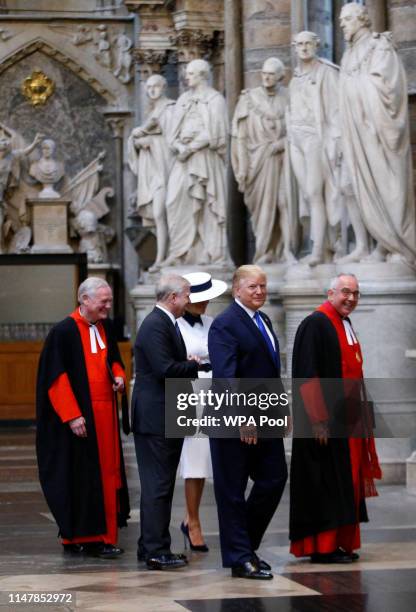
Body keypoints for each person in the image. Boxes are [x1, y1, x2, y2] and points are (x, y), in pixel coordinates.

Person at [289, 273, 382, 563]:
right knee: (327, 483)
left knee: (346, 482)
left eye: (355, 293)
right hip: (325, 423)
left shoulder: (345, 323)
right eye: (345, 292)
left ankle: (341, 542)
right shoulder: (315, 324)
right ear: (330, 293)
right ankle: (323, 547)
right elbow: (307, 374)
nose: (351, 298)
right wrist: (317, 419)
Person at [36, 277, 130, 559]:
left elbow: (114, 359)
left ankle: (104, 536)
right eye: (104, 301)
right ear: (84, 300)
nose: (108, 306)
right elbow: (55, 379)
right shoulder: (63, 331)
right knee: (79, 478)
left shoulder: (105, 327)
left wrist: (119, 376)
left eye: (109, 300)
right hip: (81, 419)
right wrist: (72, 415)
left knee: (107, 474)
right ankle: (82, 537)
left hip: (105, 417)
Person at [208, 265, 289, 579]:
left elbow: (269, 373)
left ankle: (244, 548)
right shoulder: (225, 324)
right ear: (236, 288)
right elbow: (225, 376)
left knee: (274, 478)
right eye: (253, 286)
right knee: (232, 490)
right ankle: (241, 556)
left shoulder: (263, 320)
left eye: (263, 286)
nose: (259, 292)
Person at [132, 274, 208, 570]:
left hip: (164, 414)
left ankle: (149, 544)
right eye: (186, 295)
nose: (189, 300)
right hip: (157, 417)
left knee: (159, 484)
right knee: (158, 485)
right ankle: (156, 549)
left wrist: (185, 361)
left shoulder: (164, 323)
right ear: (173, 297)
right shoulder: (155, 324)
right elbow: (164, 369)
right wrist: (195, 364)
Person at [339, 3, 415, 264]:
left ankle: (398, 247)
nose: (342, 25)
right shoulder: (348, 55)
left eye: (347, 19)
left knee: (387, 186)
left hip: (377, 131)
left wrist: (354, 88)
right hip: (355, 131)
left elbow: (388, 88)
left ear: (361, 20)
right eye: (340, 21)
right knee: (355, 185)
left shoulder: (379, 46)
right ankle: (376, 245)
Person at [177, 272, 227, 552]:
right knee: (194, 459)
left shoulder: (212, 323)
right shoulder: (175, 326)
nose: (204, 303)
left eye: (207, 298)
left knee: (218, 456)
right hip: (188, 391)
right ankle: (193, 520)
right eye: (198, 299)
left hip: (216, 389)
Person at [164, 59, 229, 266]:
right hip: (183, 159)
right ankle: (181, 250)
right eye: (187, 73)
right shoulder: (183, 100)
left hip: (205, 159)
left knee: (208, 206)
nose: (186, 77)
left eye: (191, 74)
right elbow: (171, 133)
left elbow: (217, 133)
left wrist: (192, 147)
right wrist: (180, 148)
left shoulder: (215, 100)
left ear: (203, 75)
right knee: (174, 201)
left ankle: (209, 252)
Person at [232, 57, 296, 264]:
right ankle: (264, 250)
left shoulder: (289, 97)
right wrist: (241, 167)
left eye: (271, 74)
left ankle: (287, 250)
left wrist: (283, 143)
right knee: (262, 209)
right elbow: (240, 137)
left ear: (280, 76)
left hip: (285, 159)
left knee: (285, 203)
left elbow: (300, 128)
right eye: (264, 73)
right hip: (257, 161)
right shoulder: (249, 99)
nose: (266, 77)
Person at [287, 31, 341, 266]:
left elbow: (336, 109)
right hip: (296, 139)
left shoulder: (326, 72)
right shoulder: (294, 78)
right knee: (306, 197)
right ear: (294, 47)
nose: (304, 48)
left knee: (314, 191)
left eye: (308, 43)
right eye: (299, 44)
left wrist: (335, 140)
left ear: (317, 45)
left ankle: (319, 249)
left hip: (315, 136)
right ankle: (320, 245)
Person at [127, 74, 175, 269]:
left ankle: (165, 257)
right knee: (157, 216)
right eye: (149, 87)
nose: (152, 90)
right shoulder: (151, 111)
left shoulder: (169, 109)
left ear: (163, 87)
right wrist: (135, 140)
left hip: (165, 169)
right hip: (152, 170)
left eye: (156, 86)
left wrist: (150, 141)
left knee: (161, 213)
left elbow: (172, 142)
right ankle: (162, 257)